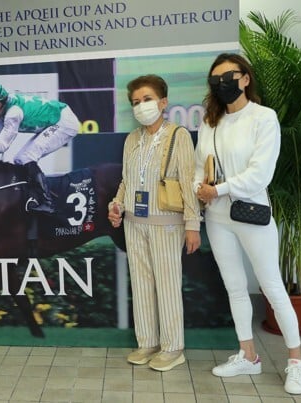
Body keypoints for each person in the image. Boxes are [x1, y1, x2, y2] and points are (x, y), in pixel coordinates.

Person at [194, 53, 301, 395]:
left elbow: (261, 174)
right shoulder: (210, 121)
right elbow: (200, 165)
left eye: (229, 76)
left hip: (252, 214)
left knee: (272, 286)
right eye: (216, 80)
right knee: (234, 286)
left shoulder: (263, 117)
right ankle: (248, 355)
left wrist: (220, 189)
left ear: (245, 79)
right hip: (217, 217)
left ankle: (296, 363)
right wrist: (199, 188)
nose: (222, 84)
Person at [108, 75, 201, 371]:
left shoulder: (179, 135)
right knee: (142, 284)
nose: (141, 106)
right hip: (134, 223)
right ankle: (147, 342)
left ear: (162, 102)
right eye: (136, 102)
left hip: (167, 224)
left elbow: (187, 182)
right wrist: (116, 205)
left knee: (168, 285)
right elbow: (126, 180)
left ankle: (173, 348)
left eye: (146, 99)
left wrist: (192, 225)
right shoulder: (132, 139)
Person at [0, 82, 80, 214]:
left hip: (63, 122)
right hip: (54, 120)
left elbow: (1, 146)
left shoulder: (13, 113)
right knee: (20, 159)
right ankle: (31, 196)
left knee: (27, 157)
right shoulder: (3, 109)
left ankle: (47, 202)